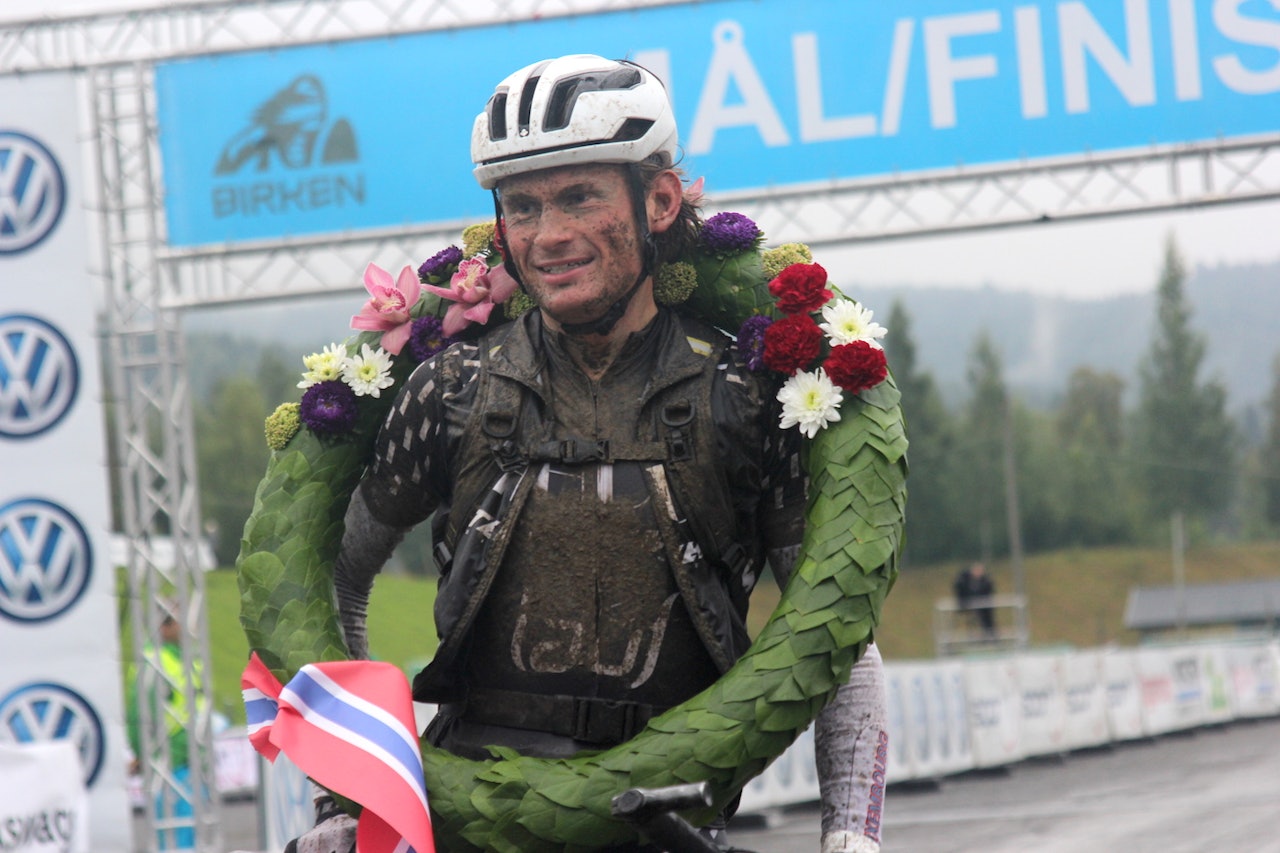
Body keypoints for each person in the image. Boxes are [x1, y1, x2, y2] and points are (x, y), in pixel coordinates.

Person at [301, 54, 892, 853]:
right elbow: (332, 582)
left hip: (669, 815)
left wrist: (851, 835)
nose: (549, 235)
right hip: (476, 810)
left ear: (658, 200)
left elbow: (836, 637)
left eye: (580, 197)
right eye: (523, 206)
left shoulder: (746, 394)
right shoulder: (452, 389)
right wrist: (344, 798)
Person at [126, 600, 204, 851]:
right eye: (182, 621)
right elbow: (138, 713)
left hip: (191, 758)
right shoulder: (154, 660)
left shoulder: (187, 658)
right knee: (175, 838)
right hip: (169, 761)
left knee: (190, 835)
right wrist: (143, 753)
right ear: (165, 626)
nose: (189, 627)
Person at [954, 562, 996, 637]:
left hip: (984, 607)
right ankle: (975, 636)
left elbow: (987, 591)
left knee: (987, 622)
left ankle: (989, 636)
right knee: (972, 622)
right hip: (972, 606)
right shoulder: (966, 581)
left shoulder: (985, 581)